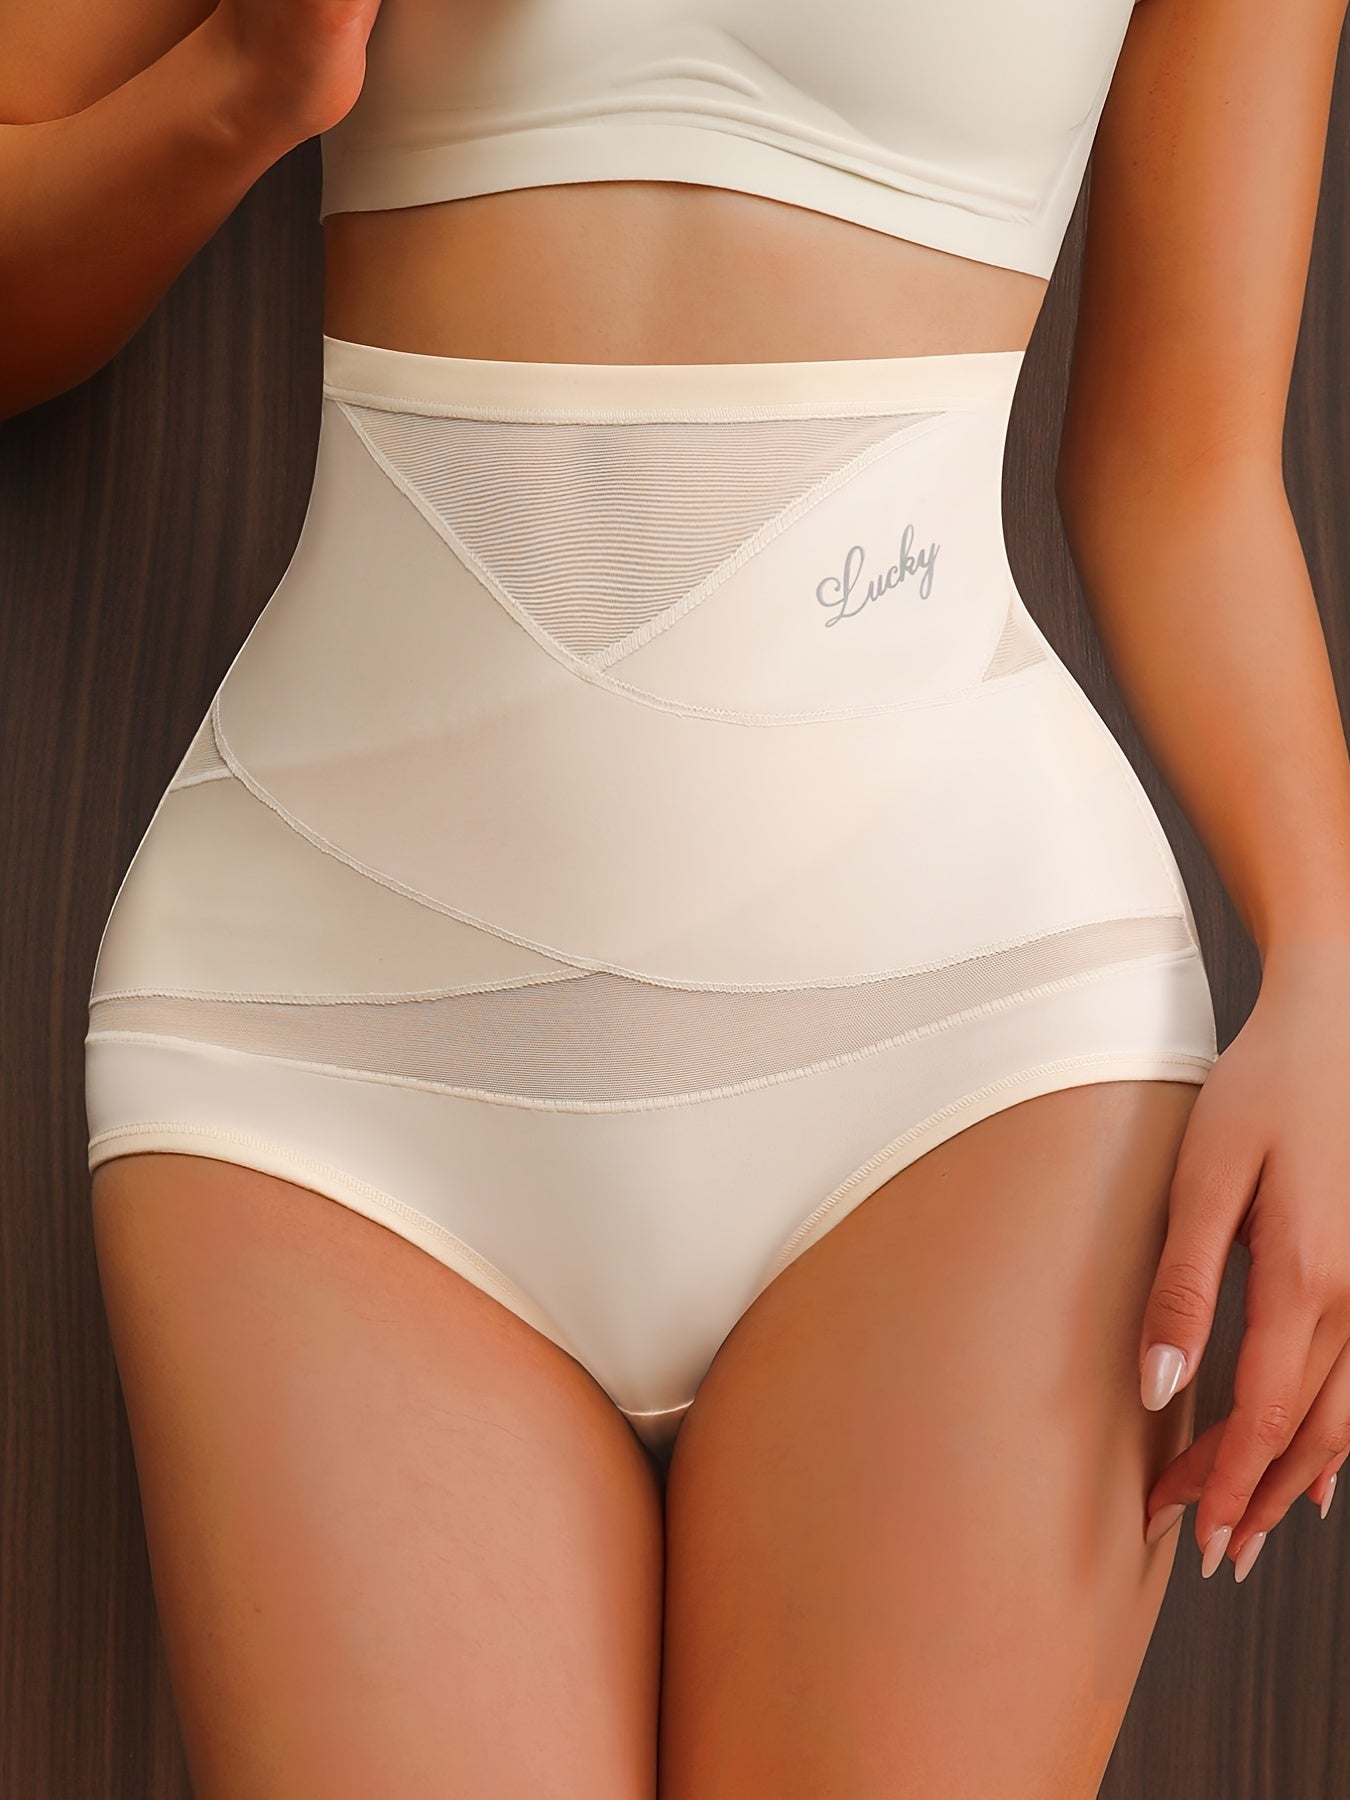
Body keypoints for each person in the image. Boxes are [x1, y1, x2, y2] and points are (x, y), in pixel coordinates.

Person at [5, 0, 1350, 1792]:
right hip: (326, 1053)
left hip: (969, 1037)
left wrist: (1328, 968)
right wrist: (253, 78)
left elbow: (1186, 474)